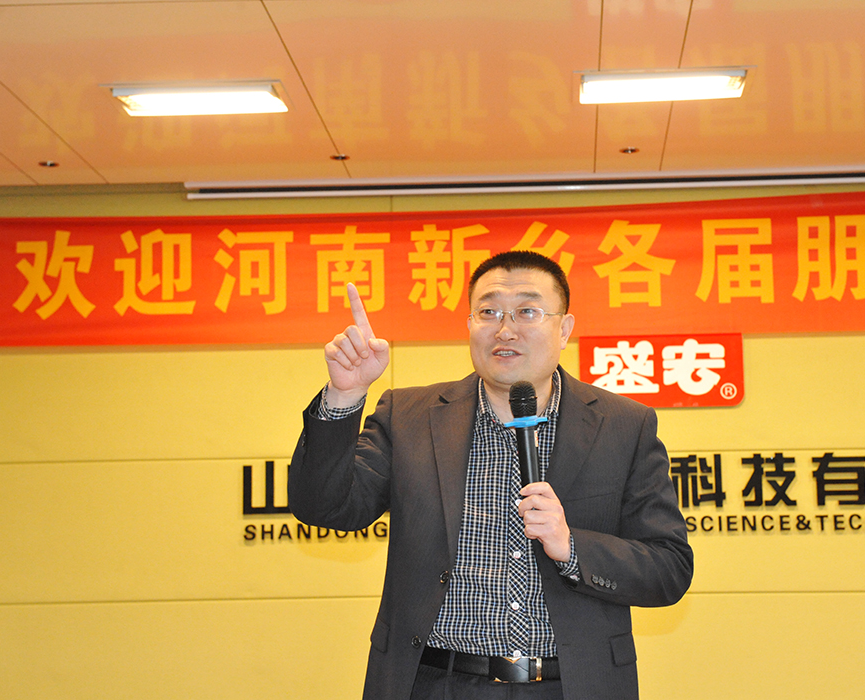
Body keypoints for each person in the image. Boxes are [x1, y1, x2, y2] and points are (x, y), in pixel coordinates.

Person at [289, 251, 692, 700]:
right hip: (436, 683)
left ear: (564, 329)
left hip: (570, 686)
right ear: (469, 324)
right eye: (489, 312)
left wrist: (572, 547)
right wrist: (345, 395)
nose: (505, 329)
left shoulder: (624, 426)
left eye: (527, 311)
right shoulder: (408, 415)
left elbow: (669, 568)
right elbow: (324, 506)